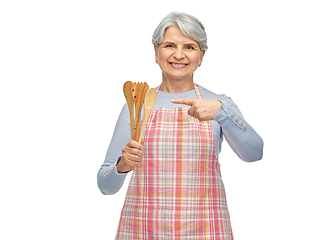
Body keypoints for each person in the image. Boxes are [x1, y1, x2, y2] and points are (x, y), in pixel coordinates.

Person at [97, 11, 263, 239]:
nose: (178, 55)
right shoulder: (136, 106)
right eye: (169, 45)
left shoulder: (219, 104)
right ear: (156, 52)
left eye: (189, 47)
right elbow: (105, 186)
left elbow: (254, 154)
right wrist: (122, 165)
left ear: (201, 55)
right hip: (144, 228)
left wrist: (222, 114)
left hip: (205, 228)